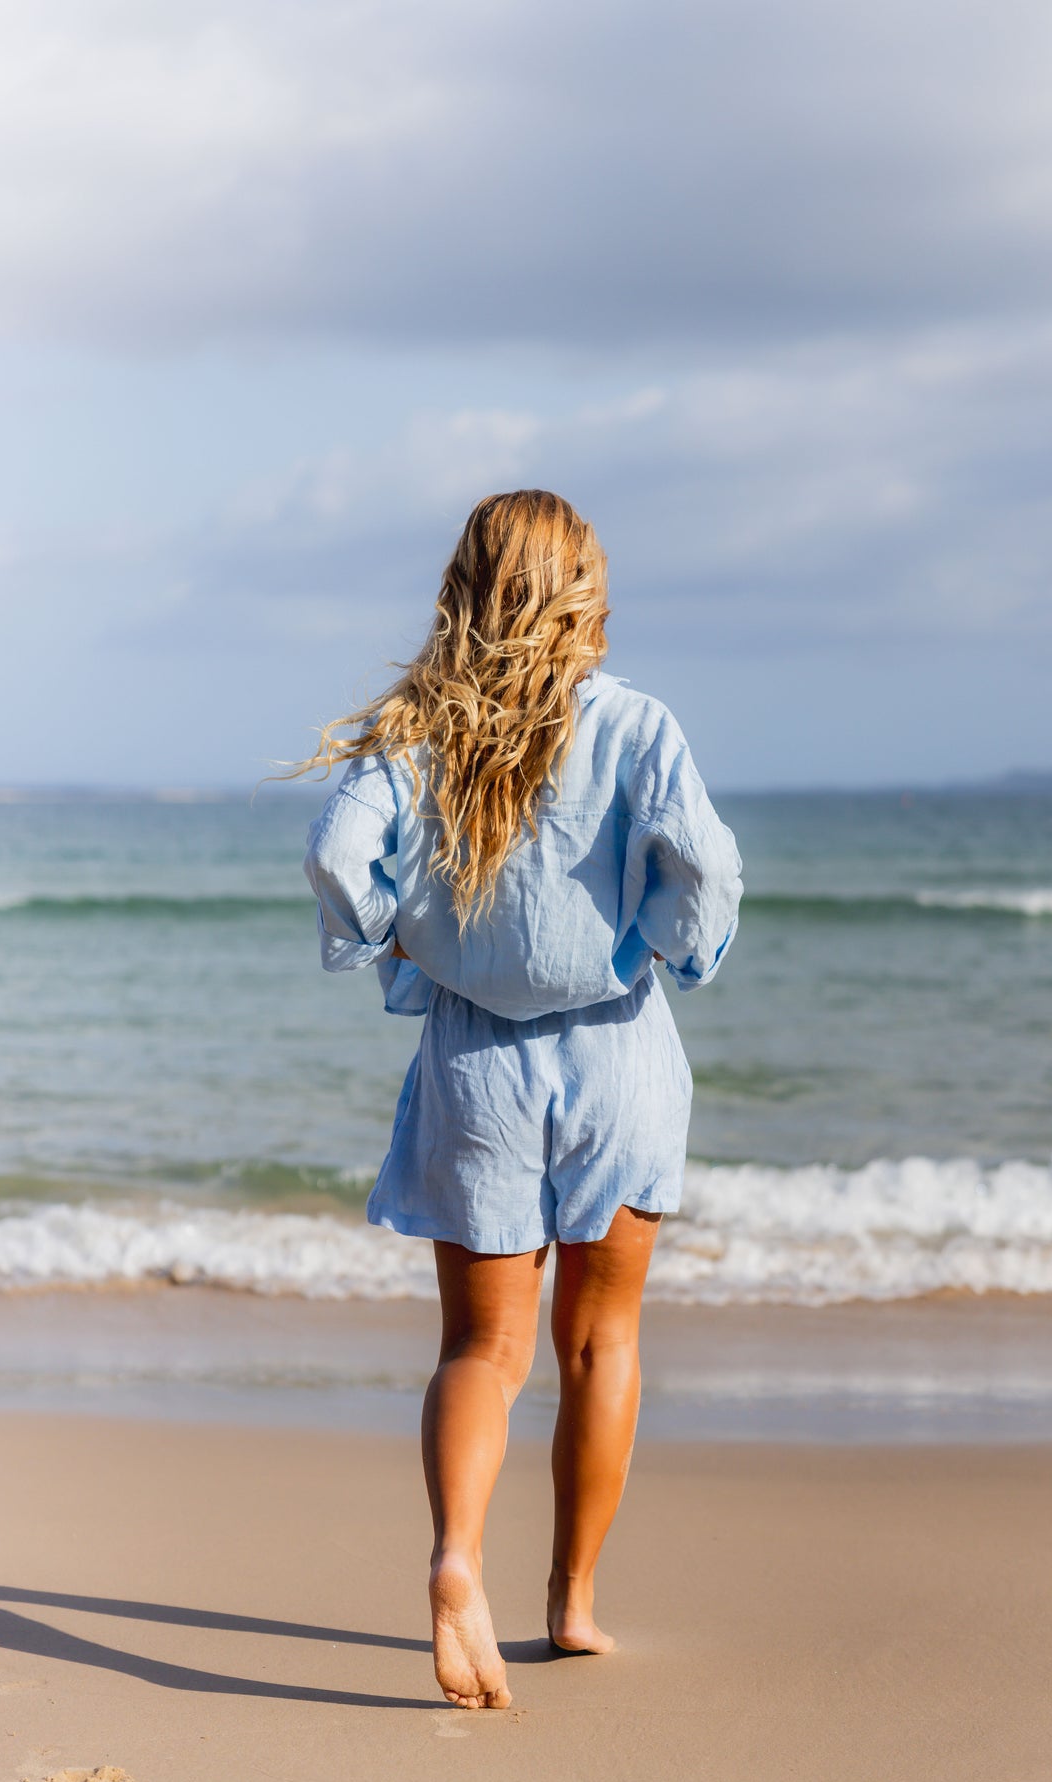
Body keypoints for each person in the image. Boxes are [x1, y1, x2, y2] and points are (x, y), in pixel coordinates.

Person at [298, 490, 742, 1709]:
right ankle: (575, 1603)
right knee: (602, 1342)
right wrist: (664, 949)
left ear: (466, 588)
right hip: (617, 1057)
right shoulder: (638, 724)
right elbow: (706, 869)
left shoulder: (416, 734)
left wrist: (400, 947)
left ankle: (456, 1561)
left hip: (476, 1065)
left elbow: (339, 861)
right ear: (584, 594)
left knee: (482, 1350)